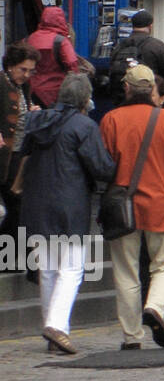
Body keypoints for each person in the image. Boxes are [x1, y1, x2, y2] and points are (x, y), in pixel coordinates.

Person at [15, 74, 117, 354]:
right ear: (85, 99)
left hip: (36, 204)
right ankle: (57, 326)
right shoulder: (84, 126)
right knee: (71, 269)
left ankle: (53, 330)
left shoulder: (38, 121)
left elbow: (23, 155)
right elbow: (101, 168)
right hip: (69, 206)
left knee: (47, 270)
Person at [99, 66, 164, 349]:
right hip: (163, 205)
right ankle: (155, 307)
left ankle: (131, 337)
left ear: (127, 88)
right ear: (152, 90)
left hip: (123, 207)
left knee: (126, 272)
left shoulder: (111, 120)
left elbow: (104, 165)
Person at [1, 43, 39, 257]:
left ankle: (11, 255)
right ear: (11, 66)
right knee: (14, 206)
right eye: (22, 69)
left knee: (18, 205)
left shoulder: (23, 87)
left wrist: (32, 110)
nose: (26, 74)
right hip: (4, 155)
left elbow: (21, 111)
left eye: (30, 70)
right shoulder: (1, 83)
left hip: (16, 155)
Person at [108, 9, 164, 108]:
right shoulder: (157, 46)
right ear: (150, 26)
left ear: (133, 26)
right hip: (151, 102)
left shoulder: (119, 46)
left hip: (123, 102)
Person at [25, 6, 79, 109]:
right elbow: (73, 65)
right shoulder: (61, 41)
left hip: (33, 91)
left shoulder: (29, 39)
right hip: (56, 93)